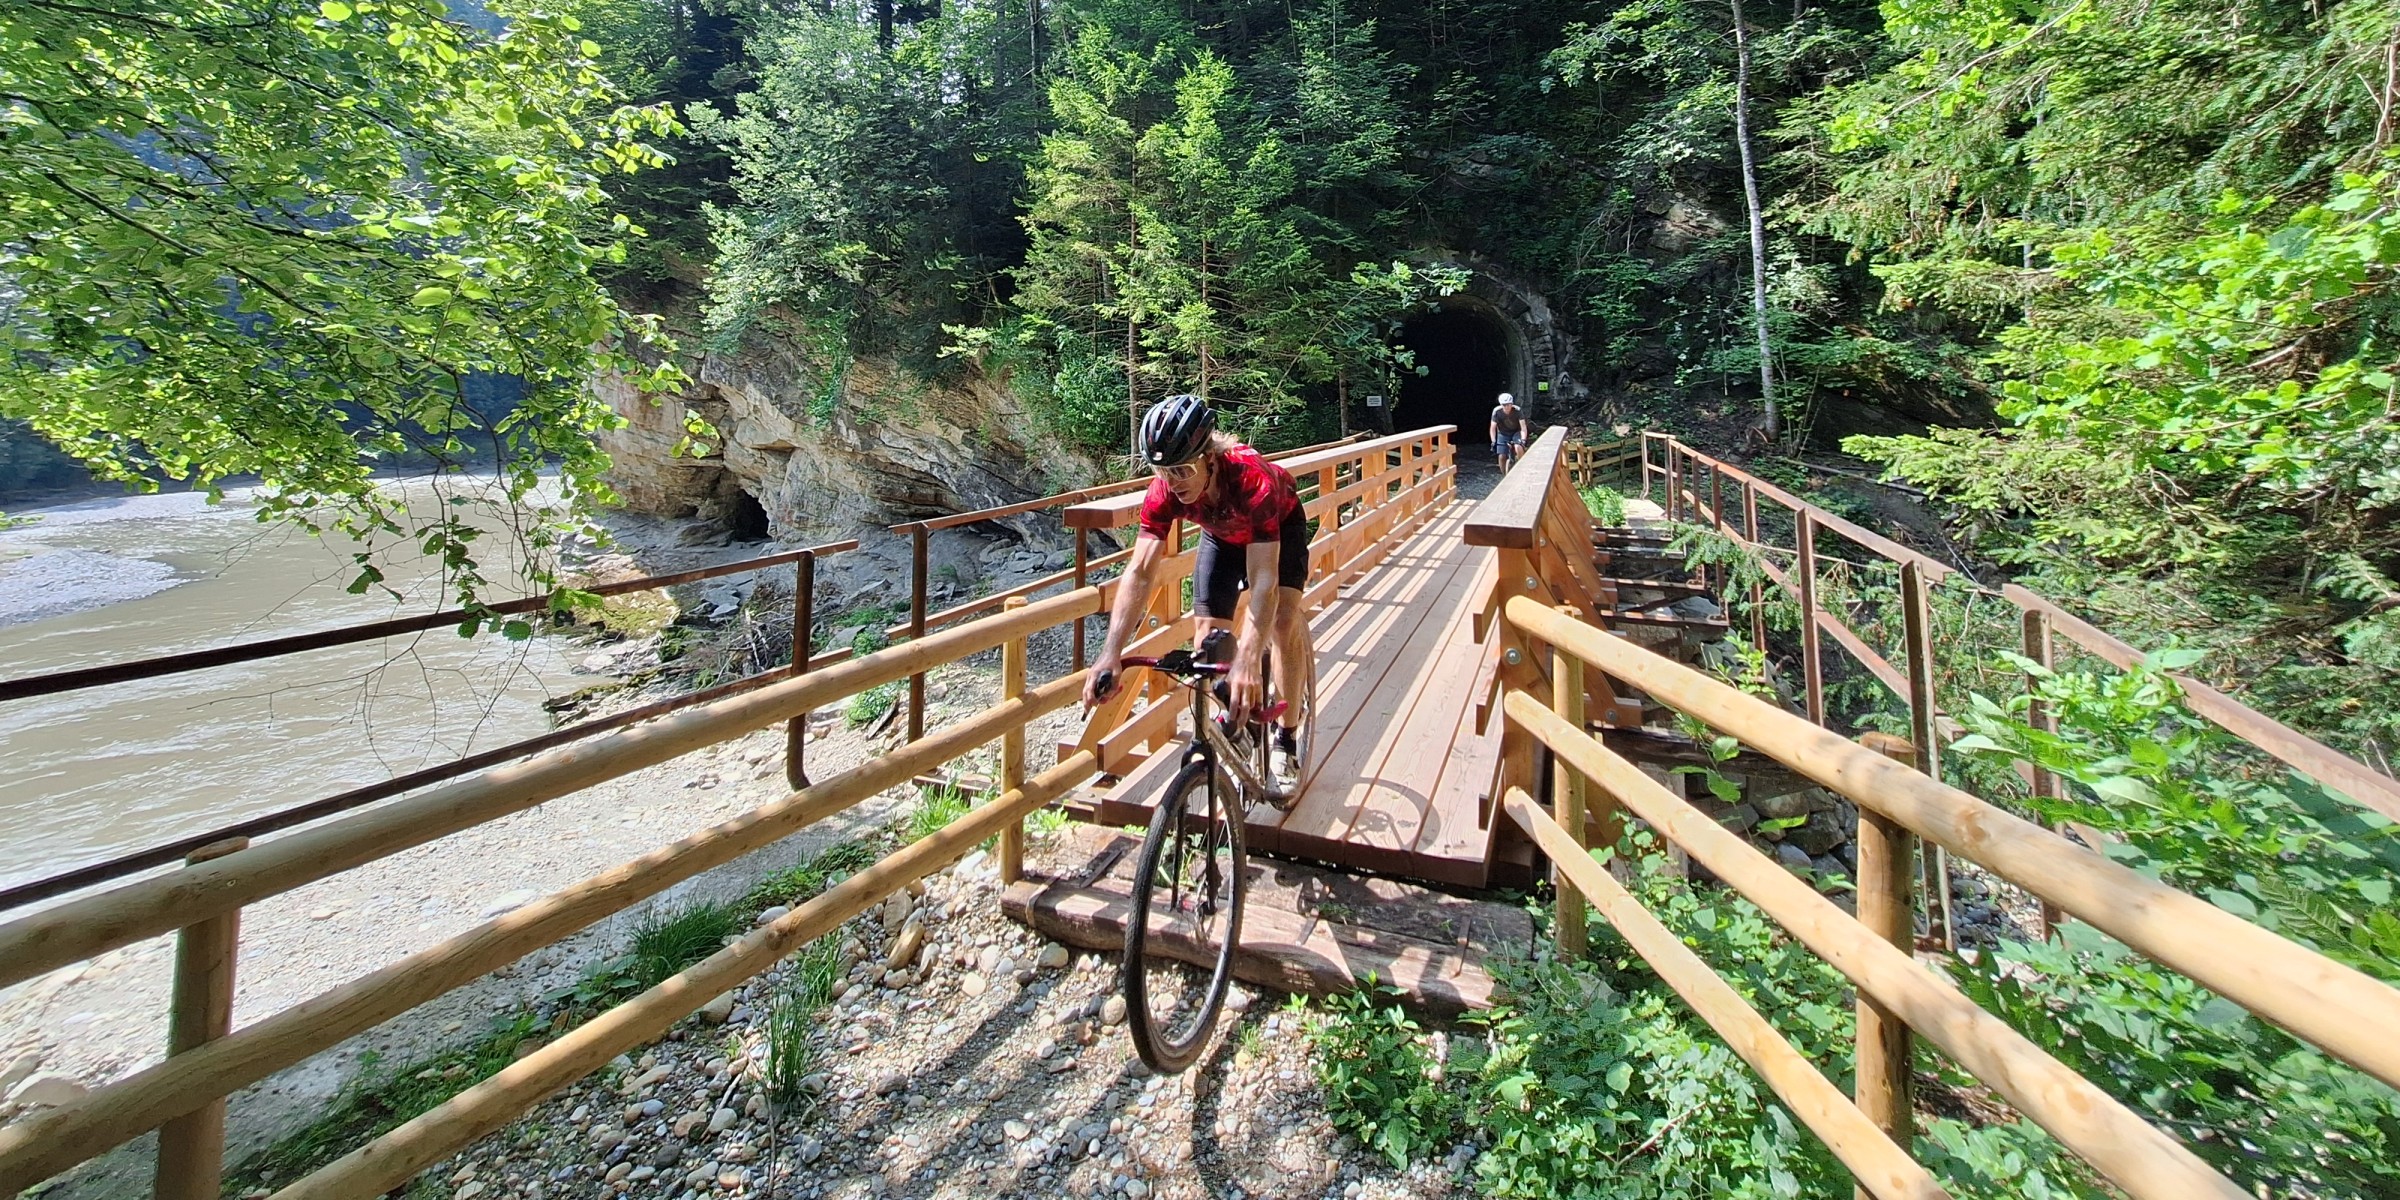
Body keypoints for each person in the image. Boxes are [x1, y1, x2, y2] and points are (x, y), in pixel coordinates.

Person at [1084, 394, 1311, 785]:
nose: (1174, 483)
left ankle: (1287, 738)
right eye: (1163, 472)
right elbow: (1140, 571)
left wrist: (1247, 658)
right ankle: (1240, 716)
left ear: (1209, 457)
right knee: (1208, 640)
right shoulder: (1165, 490)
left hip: (1279, 528)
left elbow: (1264, 582)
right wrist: (1110, 653)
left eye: (1183, 470)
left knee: (1282, 623)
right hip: (1221, 537)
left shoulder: (1250, 480)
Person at [1490, 392, 1527, 472]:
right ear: (1501, 405)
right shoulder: (1497, 411)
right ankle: (1504, 474)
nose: (1507, 407)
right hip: (1503, 433)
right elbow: (1493, 428)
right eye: (1504, 405)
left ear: (1512, 404)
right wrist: (1493, 441)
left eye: (1509, 404)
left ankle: (1522, 467)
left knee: (1518, 447)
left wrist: (1523, 439)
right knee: (1501, 456)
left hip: (1516, 431)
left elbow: (1523, 427)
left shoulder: (1517, 410)